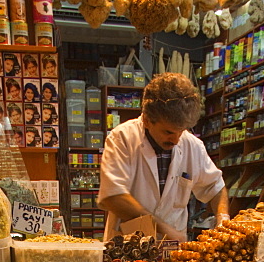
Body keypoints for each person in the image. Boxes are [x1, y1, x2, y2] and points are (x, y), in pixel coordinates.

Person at [98, 72, 228, 242]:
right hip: (127, 247)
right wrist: (163, 228)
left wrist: (223, 219)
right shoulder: (122, 138)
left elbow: (215, 187)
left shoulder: (192, 145)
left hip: (172, 252)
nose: (176, 140)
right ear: (146, 120)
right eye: (168, 132)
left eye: (181, 131)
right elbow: (113, 197)